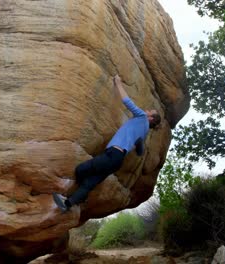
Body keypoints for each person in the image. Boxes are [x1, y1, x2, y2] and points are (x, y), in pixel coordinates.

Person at [53, 74, 161, 212]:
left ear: (150, 117)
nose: (146, 110)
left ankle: (78, 196)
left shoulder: (141, 117)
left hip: (113, 154)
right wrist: (135, 144)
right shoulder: (144, 132)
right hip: (117, 161)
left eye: (149, 111)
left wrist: (118, 83)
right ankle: (69, 203)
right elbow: (140, 151)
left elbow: (127, 102)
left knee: (81, 169)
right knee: (90, 183)